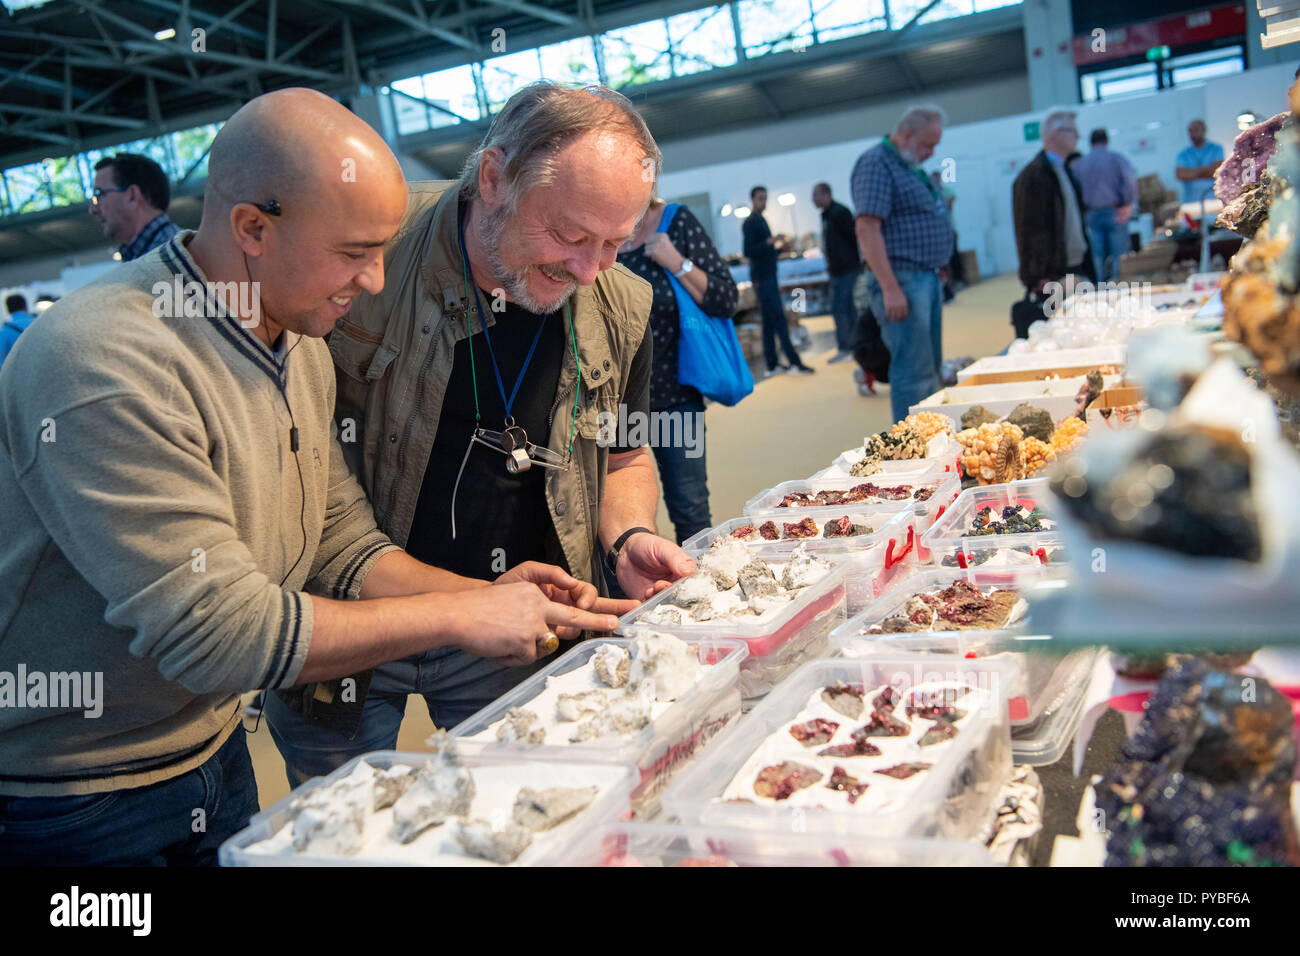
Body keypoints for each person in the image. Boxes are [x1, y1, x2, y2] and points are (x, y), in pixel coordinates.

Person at [0, 88, 618, 866]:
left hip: (207, 751)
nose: (372, 281)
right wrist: (457, 621)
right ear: (252, 229)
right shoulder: (105, 362)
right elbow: (218, 634)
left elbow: (337, 538)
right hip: (71, 796)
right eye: (354, 252)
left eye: (384, 251)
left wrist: (484, 596)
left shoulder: (295, 339)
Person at [265, 83, 698, 785]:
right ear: (494, 178)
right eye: (568, 235)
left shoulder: (622, 302)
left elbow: (624, 456)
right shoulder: (368, 253)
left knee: (526, 806)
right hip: (349, 614)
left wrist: (627, 537)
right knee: (339, 821)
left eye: (615, 242)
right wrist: (451, 607)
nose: (589, 269)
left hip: (516, 619)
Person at [618, 197, 737, 543]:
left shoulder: (675, 222)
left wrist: (676, 262)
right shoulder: (594, 231)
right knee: (620, 525)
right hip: (611, 404)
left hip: (674, 396)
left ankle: (703, 588)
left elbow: (726, 299)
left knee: (691, 511)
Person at [851, 104, 954, 423]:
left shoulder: (909, 165)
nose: (932, 152)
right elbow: (867, 227)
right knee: (913, 372)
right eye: (928, 144)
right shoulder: (876, 163)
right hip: (902, 281)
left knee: (929, 369)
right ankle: (913, 453)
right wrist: (890, 287)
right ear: (907, 135)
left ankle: (931, 442)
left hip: (924, 278)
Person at [1012, 109, 1097, 328]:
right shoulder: (1034, 175)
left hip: (1075, 264)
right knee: (1062, 330)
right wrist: (1035, 276)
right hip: (1053, 271)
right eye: (1072, 131)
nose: (1077, 137)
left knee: (1085, 326)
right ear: (1053, 135)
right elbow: (1027, 229)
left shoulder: (1063, 170)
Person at [743, 185, 814, 378]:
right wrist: (771, 242)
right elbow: (749, 251)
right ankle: (794, 361)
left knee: (769, 322)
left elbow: (764, 252)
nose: (763, 202)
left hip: (768, 275)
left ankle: (773, 363)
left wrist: (779, 249)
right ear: (753, 200)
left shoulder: (761, 220)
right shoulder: (750, 222)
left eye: (765, 198)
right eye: (760, 198)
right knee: (780, 320)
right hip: (762, 279)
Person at [90, 153, 181, 261]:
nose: (93, 210)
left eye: (99, 194)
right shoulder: (164, 254)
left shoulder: (173, 257)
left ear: (132, 196)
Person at [1074, 128, 1138, 282]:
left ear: (1090, 142)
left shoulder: (1081, 163)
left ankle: (1100, 286)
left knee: (1098, 254)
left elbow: (1075, 188)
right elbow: (1130, 181)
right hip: (1114, 210)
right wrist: (1128, 203)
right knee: (1119, 253)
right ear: (1106, 141)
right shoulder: (1116, 159)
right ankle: (1117, 284)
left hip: (1091, 213)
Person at [812, 182, 861, 363]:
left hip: (847, 268)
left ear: (826, 195)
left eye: (815, 195)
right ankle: (848, 345)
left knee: (845, 308)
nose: (812, 200)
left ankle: (850, 346)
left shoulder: (840, 213)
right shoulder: (826, 215)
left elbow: (852, 238)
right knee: (841, 309)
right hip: (836, 269)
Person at [1175, 119, 1225, 205]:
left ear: (1204, 130)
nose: (1192, 134)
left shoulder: (1216, 148)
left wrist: (1193, 173)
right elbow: (1180, 174)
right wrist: (1206, 169)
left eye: (1196, 130)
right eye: (1190, 131)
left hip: (1214, 201)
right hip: (1191, 203)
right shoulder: (1183, 154)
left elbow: (1217, 172)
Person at [0, 294, 33, 368]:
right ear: (25, 306)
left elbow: (1, 362)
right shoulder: (39, 323)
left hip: (20, 375)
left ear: (8, 309)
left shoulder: (4, 331)